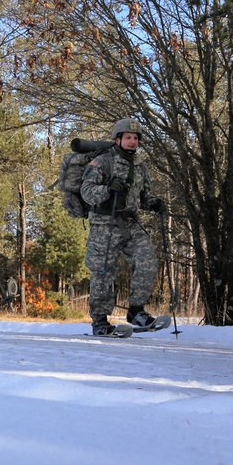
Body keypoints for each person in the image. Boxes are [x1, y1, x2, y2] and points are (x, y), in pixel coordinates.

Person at [80, 117, 166, 335]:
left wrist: (154, 203)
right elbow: (86, 192)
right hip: (103, 225)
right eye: (128, 137)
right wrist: (108, 189)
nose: (132, 142)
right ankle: (99, 320)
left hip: (129, 222)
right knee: (103, 272)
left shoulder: (139, 166)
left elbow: (145, 195)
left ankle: (136, 310)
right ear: (117, 139)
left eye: (135, 138)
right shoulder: (102, 162)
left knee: (147, 259)